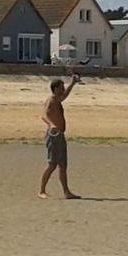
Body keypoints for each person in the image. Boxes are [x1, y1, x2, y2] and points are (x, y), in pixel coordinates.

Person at [38, 68, 83, 198]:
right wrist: (51, 124)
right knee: (52, 165)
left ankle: (66, 192)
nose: (63, 89)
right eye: (61, 87)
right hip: (53, 136)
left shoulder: (58, 99)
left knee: (63, 165)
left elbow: (65, 96)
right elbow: (43, 115)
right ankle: (41, 191)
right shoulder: (51, 100)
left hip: (60, 136)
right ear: (56, 88)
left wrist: (73, 83)